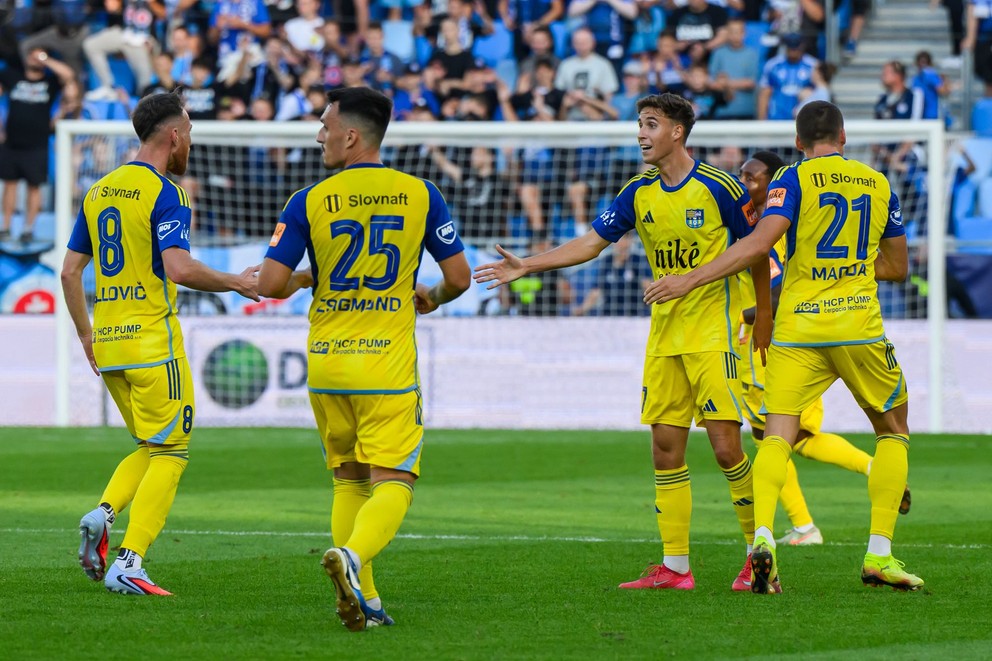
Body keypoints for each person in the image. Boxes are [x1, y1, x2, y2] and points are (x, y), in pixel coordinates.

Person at [474, 92, 772, 591]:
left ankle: (757, 554)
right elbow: (591, 243)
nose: (641, 134)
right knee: (665, 448)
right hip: (665, 338)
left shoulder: (719, 186)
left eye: (651, 124)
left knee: (725, 448)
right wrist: (529, 264)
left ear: (677, 131)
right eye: (639, 124)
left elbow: (756, 250)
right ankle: (676, 568)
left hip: (713, 335)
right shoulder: (637, 192)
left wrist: (762, 314)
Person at [645, 100, 923, 594]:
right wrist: (853, 269)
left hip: (798, 329)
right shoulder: (879, 184)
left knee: (776, 436)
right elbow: (898, 267)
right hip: (858, 324)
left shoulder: (790, 180)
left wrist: (689, 279)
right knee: (893, 430)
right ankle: (879, 554)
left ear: (798, 142)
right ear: (843, 137)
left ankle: (764, 541)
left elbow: (758, 244)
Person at [257, 86, 471, 631]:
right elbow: (458, 278)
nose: (319, 136)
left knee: (348, 480)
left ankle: (366, 601)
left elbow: (270, 284)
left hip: (326, 363)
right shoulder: (421, 193)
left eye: (325, 126)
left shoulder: (307, 200)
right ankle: (352, 557)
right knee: (395, 480)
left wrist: (305, 278)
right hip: (385, 365)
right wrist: (431, 296)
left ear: (351, 136)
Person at [61, 90, 260, 595]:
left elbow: (69, 271)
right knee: (172, 452)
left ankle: (103, 514)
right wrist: (236, 282)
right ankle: (130, 562)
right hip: (153, 343)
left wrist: (86, 334)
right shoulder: (167, 191)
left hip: (109, 343)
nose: (190, 142)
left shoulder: (99, 190)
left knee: (150, 445)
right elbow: (180, 268)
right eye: (189, 132)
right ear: (173, 135)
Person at [735, 150, 911, 546]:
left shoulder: (775, 230)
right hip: (837, 328)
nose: (743, 183)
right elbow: (896, 266)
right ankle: (842, 505)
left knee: (774, 436)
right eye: (741, 175)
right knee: (795, 437)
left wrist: (743, 315)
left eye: (751, 177)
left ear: (773, 181)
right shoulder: (786, 222)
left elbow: (776, 290)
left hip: (789, 339)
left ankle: (802, 525)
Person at [0, 48, 75, 243]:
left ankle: (28, 230)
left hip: (37, 144)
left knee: (34, 188)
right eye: (32, 54)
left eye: (40, 55)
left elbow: (68, 75)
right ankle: (5, 228)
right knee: (9, 185)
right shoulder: (12, 76)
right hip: (11, 143)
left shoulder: (50, 82)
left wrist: (45, 59)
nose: (35, 58)